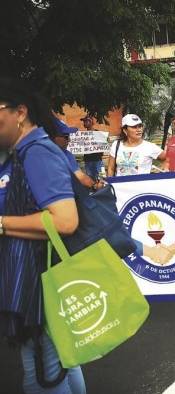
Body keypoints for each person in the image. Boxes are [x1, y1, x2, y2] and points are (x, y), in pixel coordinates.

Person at [0, 78, 85, 393]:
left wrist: (1, 223)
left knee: (41, 376)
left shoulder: (36, 151)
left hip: (39, 279)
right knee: (60, 362)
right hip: (37, 273)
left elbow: (64, 220)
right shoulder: (21, 152)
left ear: (19, 112)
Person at [51, 118, 104, 190]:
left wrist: (95, 186)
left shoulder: (68, 155)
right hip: (88, 159)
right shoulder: (40, 156)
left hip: (97, 159)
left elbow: (81, 176)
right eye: (66, 137)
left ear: (92, 122)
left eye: (69, 136)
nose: (69, 140)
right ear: (53, 137)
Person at [80, 116, 104, 181]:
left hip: (98, 160)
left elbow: (103, 146)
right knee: (90, 179)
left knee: (101, 178)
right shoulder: (82, 135)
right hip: (88, 160)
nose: (84, 123)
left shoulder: (98, 133)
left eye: (86, 121)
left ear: (91, 122)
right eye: (84, 121)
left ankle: (103, 190)